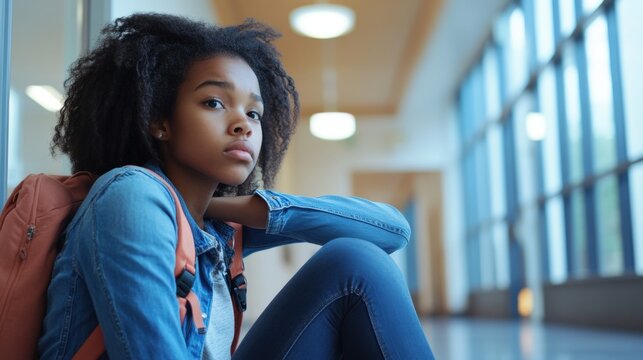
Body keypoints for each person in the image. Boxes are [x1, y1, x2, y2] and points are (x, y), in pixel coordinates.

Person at [38, 13, 435, 360]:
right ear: (160, 120)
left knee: (355, 260)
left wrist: (231, 208)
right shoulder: (130, 195)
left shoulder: (213, 229)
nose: (243, 123)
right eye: (214, 102)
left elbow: (391, 231)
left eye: (254, 112)